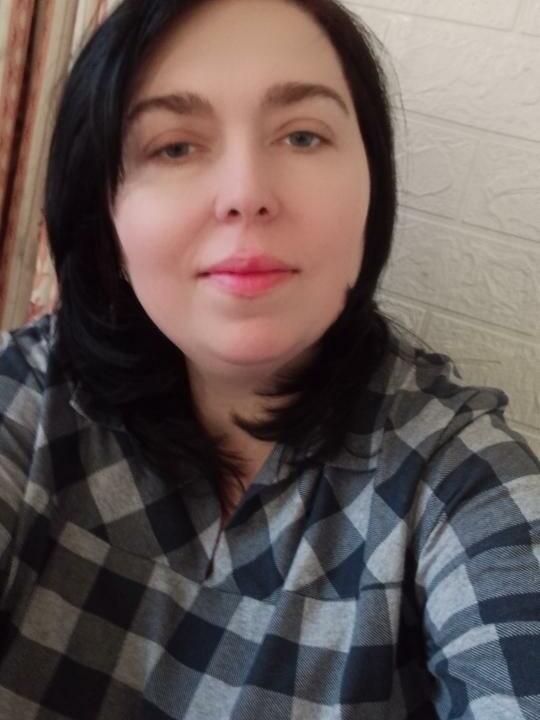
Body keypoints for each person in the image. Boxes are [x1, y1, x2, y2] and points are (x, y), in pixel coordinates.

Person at [0, 0, 538, 717]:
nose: (246, 194)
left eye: (303, 136)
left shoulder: (457, 480)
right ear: (106, 219)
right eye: (174, 147)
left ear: (372, 190)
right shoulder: (25, 401)